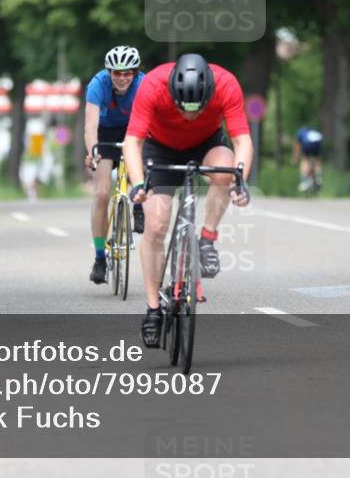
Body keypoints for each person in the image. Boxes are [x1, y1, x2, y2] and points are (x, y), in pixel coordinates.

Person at [124, 53, 252, 348]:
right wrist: (138, 183)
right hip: (159, 148)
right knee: (156, 225)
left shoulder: (226, 84)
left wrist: (240, 180)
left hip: (206, 144)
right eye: (183, 108)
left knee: (226, 171)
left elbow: (242, 140)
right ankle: (153, 309)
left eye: (198, 108)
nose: (190, 116)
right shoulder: (153, 85)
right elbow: (133, 140)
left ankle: (207, 238)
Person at [83, 46, 144, 284]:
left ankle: (138, 205)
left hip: (134, 130)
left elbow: (151, 123)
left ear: (135, 73)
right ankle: (100, 258)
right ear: (109, 72)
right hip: (105, 132)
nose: (122, 78)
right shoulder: (97, 85)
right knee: (101, 194)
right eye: (117, 73)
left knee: (143, 158)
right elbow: (90, 126)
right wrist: (92, 151)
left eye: (127, 73)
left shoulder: (144, 85)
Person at [292, 126, 323, 192]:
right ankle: (318, 177)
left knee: (305, 160)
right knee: (317, 159)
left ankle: (304, 181)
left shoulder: (300, 133)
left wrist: (295, 158)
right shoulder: (313, 131)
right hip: (317, 143)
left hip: (307, 144)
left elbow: (298, 146)